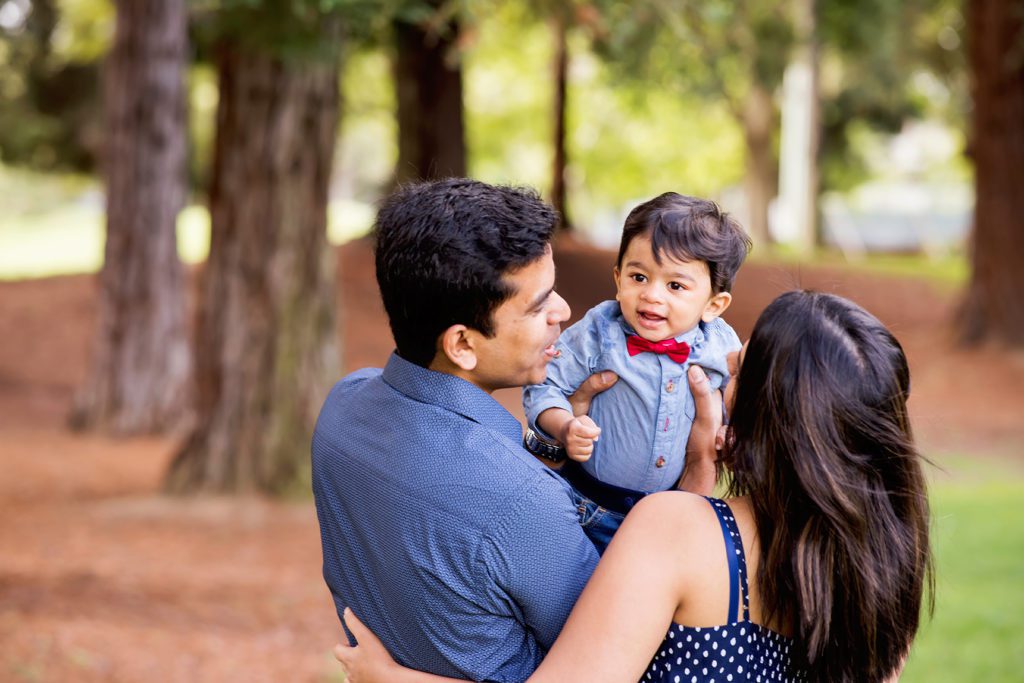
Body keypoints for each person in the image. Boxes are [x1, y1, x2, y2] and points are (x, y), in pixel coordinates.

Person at [333, 290, 934, 683]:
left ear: (763, 413)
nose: (721, 377)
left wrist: (394, 681)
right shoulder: (886, 569)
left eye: (736, 373)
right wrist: (701, 471)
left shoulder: (679, 531)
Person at [311, 179, 721, 682]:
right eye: (537, 304)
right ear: (462, 344)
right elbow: (634, 656)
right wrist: (699, 476)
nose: (564, 312)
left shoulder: (342, 407)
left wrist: (557, 442)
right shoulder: (523, 507)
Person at [522, 193, 751, 552]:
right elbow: (544, 383)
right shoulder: (599, 332)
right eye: (639, 277)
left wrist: (730, 430)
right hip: (588, 506)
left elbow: (742, 399)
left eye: (675, 285)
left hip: (666, 510)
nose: (652, 296)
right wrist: (564, 426)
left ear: (713, 304)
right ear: (618, 279)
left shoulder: (721, 347)